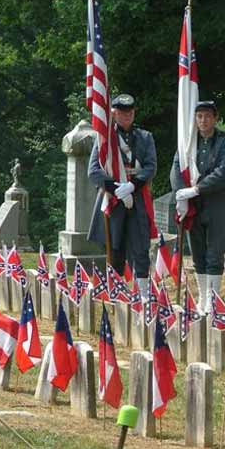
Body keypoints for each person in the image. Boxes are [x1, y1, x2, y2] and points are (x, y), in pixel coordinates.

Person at [87, 93, 157, 298]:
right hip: (113, 199)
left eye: (130, 112)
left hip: (138, 198)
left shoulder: (145, 138)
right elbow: (93, 171)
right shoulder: (104, 140)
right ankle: (115, 292)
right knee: (114, 247)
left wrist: (132, 186)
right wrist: (116, 187)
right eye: (122, 113)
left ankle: (143, 294)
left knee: (141, 246)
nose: (127, 116)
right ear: (114, 114)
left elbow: (151, 167)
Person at [170, 101, 225, 313]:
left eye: (207, 116)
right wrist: (181, 193)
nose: (203, 120)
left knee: (215, 252)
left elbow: (224, 171)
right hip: (193, 206)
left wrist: (197, 189)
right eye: (199, 116)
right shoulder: (188, 142)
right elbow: (177, 167)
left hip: (215, 203)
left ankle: (213, 300)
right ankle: (202, 297)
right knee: (197, 251)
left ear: (215, 118)